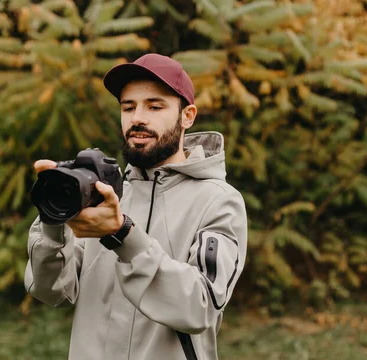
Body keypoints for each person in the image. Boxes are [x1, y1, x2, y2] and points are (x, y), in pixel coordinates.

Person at [24, 53, 248, 360]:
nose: (137, 118)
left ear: (188, 115)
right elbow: (52, 291)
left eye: (155, 106)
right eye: (128, 107)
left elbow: (200, 307)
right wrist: (53, 220)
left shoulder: (218, 201)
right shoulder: (103, 196)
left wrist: (123, 236)